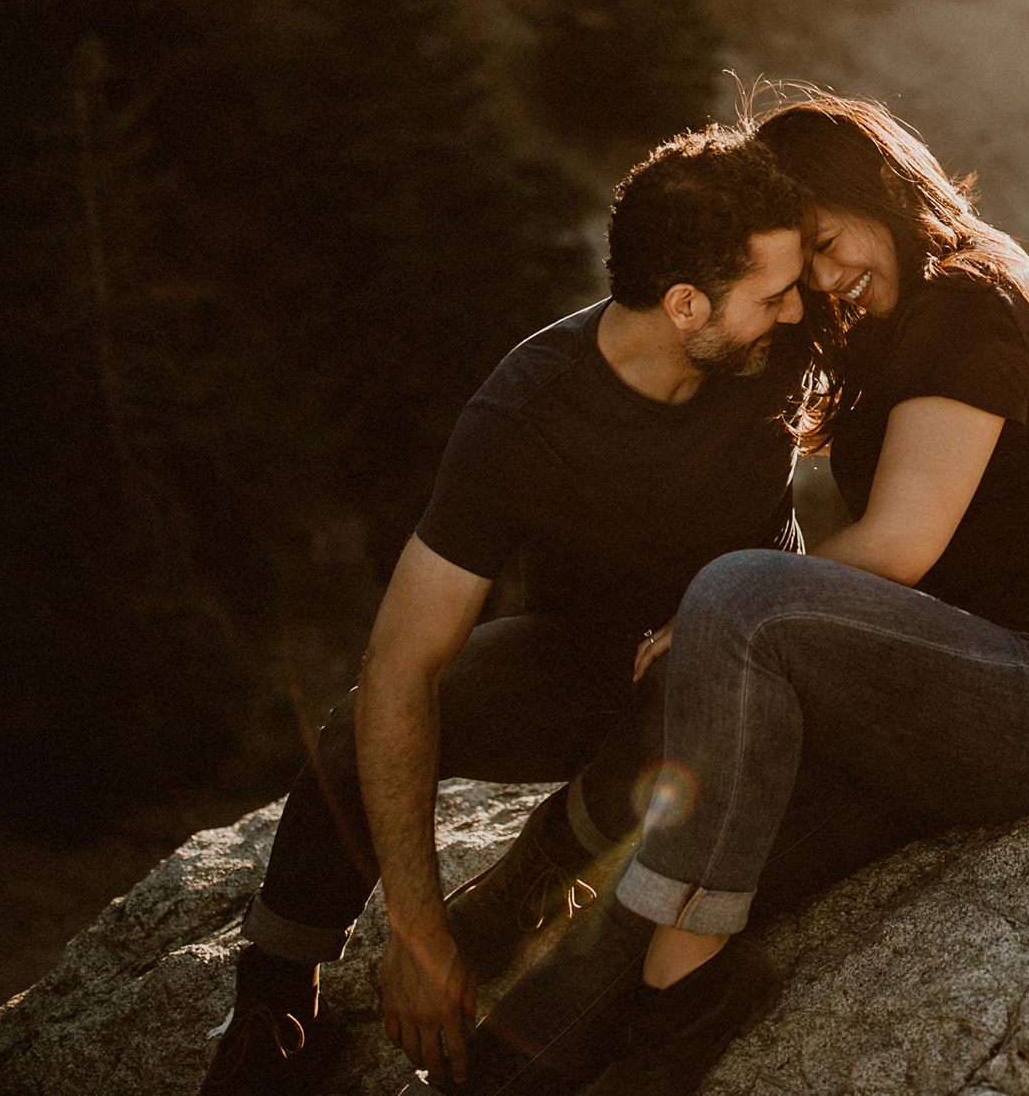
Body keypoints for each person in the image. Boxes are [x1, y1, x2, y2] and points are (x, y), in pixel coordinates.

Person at [452, 91, 1029, 1094]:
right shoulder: (904, 315)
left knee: (740, 596)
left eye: (832, 239)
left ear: (879, 191)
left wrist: (709, 621)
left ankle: (678, 985)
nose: (830, 274)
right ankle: (503, 1072)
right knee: (680, 862)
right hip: (935, 696)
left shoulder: (971, 301)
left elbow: (902, 543)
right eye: (806, 260)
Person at [199, 124, 813, 1096]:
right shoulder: (526, 416)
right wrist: (417, 930)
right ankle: (274, 995)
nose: (797, 308)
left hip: (743, 657)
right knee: (359, 719)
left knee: (703, 687)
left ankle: (543, 864)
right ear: (686, 303)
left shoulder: (771, 344)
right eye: (772, 294)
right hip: (581, 661)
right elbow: (405, 663)